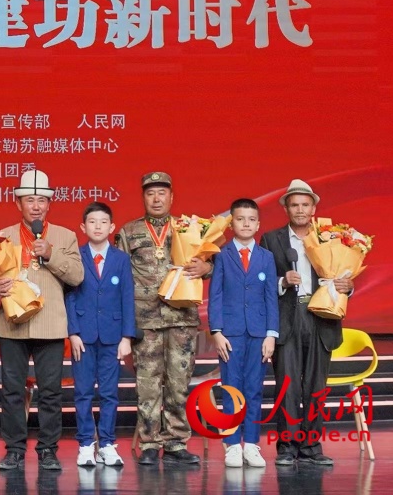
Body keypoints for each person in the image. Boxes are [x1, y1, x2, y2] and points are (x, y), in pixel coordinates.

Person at [0, 169, 83, 471]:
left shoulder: (65, 236)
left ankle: (48, 449)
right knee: (12, 391)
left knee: (51, 392)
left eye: (41, 200)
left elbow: (77, 276)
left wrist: (51, 254)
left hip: (50, 324)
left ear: (49, 204)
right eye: (29, 200)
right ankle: (14, 449)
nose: (36, 206)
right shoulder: (2, 237)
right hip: (13, 324)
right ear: (18, 203)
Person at [115, 171, 209, 465]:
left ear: (171, 197)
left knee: (179, 383)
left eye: (162, 193)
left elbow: (210, 262)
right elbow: (119, 274)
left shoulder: (188, 229)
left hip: (181, 319)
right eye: (150, 193)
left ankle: (176, 442)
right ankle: (150, 442)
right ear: (143, 197)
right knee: (147, 384)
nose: (156, 199)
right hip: (145, 321)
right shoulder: (129, 231)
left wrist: (206, 268)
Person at [259, 179, 353, 466]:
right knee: (287, 386)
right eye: (294, 205)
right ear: (286, 208)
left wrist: (348, 287)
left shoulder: (330, 238)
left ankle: (311, 447)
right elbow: (261, 282)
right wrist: (281, 281)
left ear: (314, 208)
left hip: (321, 318)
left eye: (305, 204)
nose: (300, 210)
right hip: (287, 318)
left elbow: (343, 275)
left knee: (316, 387)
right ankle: (287, 447)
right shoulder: (271, 239)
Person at [208, 198, 279, 468]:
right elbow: (215, 295)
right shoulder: (222, 255)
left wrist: (271, 334)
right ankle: (231, 445)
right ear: (231, 224)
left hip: (259, 334)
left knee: (254, 390)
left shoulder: (266, 257)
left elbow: (271, 297)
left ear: (258, 224)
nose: (246, 224)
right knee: (231, 389)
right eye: (240, 219)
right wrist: (216, 331)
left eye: (251, 220)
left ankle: (251, 444)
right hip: (231, 334)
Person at [65, 201, 136, 467]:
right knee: (83, 392)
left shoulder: (121, 259)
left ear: (112, 227)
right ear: (83, 227)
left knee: (109, 393)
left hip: (112, 336)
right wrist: (72, 332)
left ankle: (106, 443)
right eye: (92, 222)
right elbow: (69, 297)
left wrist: (127, 337)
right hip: (82, 336)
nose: (98, 227)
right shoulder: (76, 256)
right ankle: (86, 444)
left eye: (103, 222)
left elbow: (127, 298)